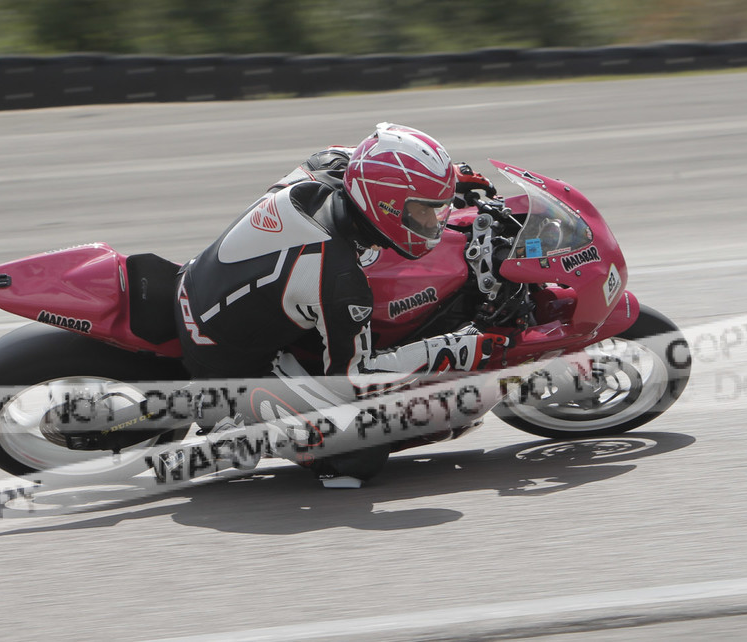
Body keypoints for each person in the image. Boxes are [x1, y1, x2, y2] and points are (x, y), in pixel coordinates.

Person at [175, 122, 504, 486]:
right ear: (387, 205)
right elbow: (352, 380)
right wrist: (451, 348)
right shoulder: (340, 278)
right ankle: (235, 427)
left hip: (195, 282)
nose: (432, 221)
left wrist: (451, 178)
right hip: (223, 355)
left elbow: (380, 161)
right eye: (424, 210)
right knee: (360, 453)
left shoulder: (332, 164)